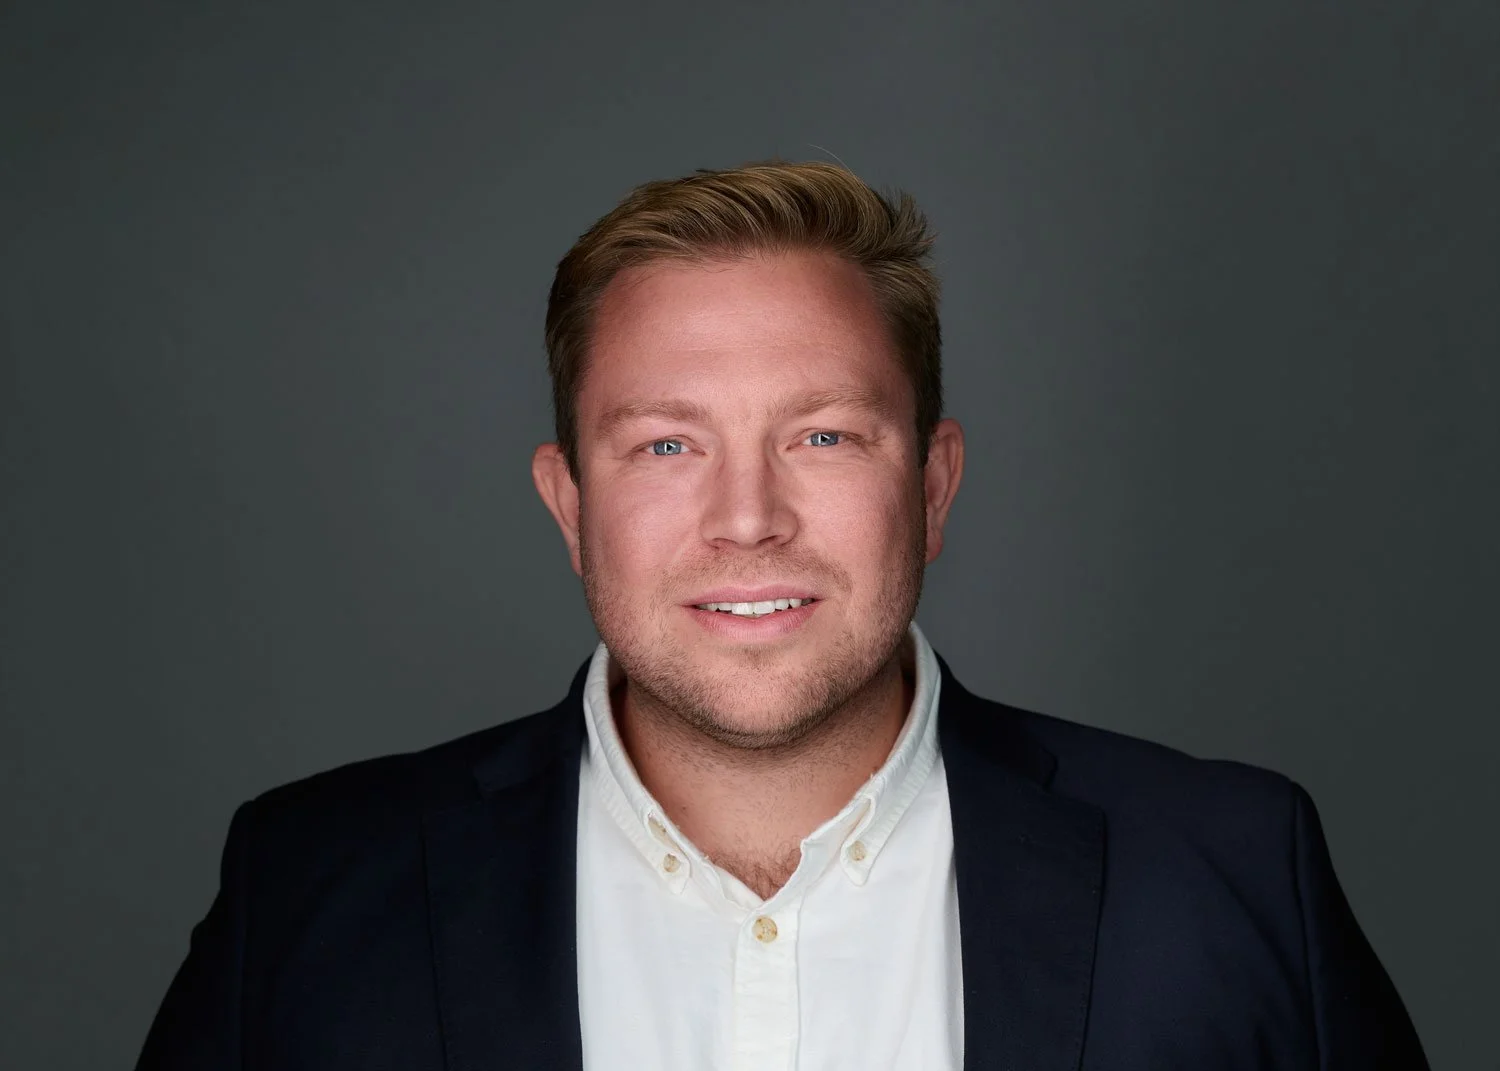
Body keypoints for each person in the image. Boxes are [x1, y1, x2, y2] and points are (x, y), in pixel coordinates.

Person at [136, 161, 1427, 1070]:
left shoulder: (1234, 875)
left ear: (931, 484)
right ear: (569, 504)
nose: (747, 516)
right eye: (662, 447)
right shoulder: (307, 893)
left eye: (821, 433)